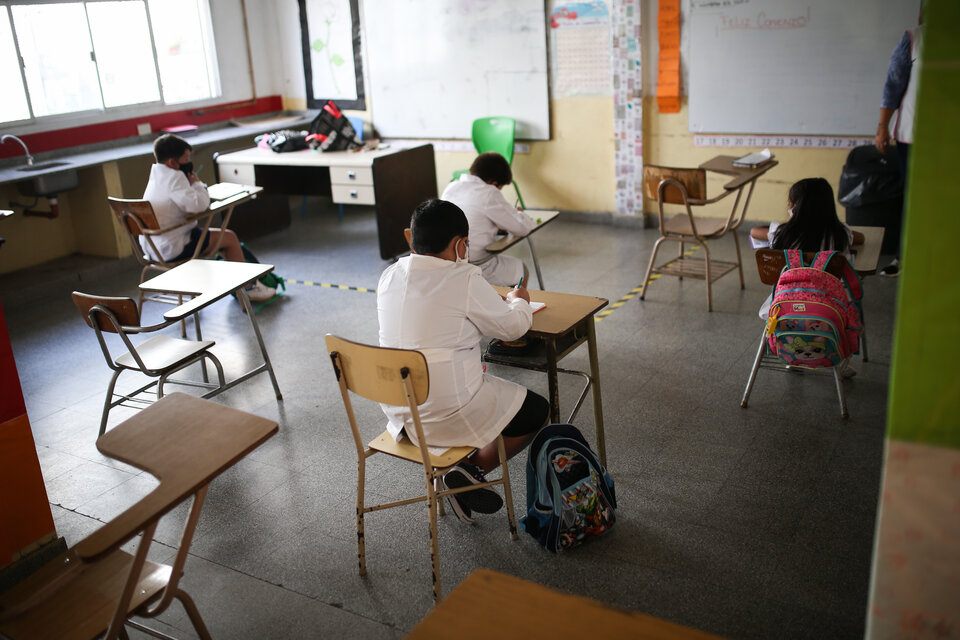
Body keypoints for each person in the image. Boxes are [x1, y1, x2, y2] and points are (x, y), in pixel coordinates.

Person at [377, 199, 549, 523]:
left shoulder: (388, 276)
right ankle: (468, 473)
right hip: (446, 411)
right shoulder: (464, 278)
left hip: (399, 410)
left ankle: (460, 472)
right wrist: (519, 301)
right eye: (466, 245)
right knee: (537, 411)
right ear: (460, 245)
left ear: (412, 239)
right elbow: (512, 328)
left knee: (470, 382)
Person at [143, 134, 276, 301]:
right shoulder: (174, 177)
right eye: (186, 158)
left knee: (216, 237)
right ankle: (247, 289)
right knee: (229, 238)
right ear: (172, 162)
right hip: (173, 247)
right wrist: (198, 184)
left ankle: (241, 285)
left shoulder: (156, 175)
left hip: (152, 248)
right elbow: (199, 206)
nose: (189, 162)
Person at [752, 178, 864, 319]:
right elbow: (861, 238)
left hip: (787, 302)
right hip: (829, 304)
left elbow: (754, 232)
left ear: (795, 208)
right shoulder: (841, 233)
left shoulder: (782, 233)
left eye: (790, 203)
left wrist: (786, 224)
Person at [874, 12, 923, 277]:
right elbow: (893, 84)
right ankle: (903, 258)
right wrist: (883, 126)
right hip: (914, 136)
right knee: (913, 199)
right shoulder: (913, 39)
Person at [441, 152, 536, 287]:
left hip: (446, 264)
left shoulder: (451, 187)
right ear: (494, 183)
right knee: (522, 270)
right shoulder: (489, 192)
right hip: (476, 264)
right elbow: (522, 228)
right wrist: (519, 213)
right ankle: (512, 305)